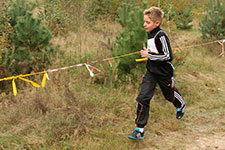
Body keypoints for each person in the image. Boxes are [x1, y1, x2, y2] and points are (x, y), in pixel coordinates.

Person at [128, 7, 186, 140]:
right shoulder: (150, 33)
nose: (144, 24)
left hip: (164, 73)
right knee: (142, 98)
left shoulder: (161, 35)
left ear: (156, 23)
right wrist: (148, 55)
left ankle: (181, 105)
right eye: (144, 22)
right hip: (151, 72)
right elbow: (154, 52)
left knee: (169, 96)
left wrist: (149, 56)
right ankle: (139, 130)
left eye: (147, 22)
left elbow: (167, 55)